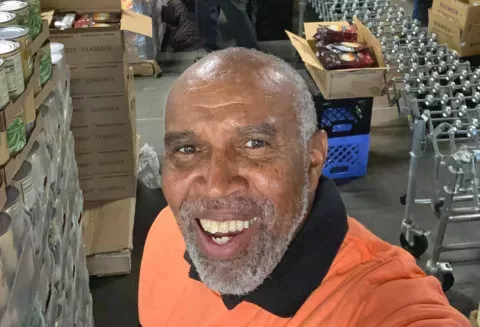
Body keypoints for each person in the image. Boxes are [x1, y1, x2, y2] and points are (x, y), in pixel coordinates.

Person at [139, 48, 470, 327]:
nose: (215, 186)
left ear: (314, 155)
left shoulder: (380, 302)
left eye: (254, 144)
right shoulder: (165, 233)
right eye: (187, 149)